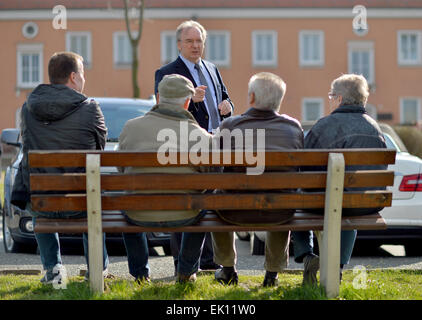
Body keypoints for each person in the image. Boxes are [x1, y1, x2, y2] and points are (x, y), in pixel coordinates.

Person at [177, 72, 304, 286]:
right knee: (283, 197)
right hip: (279, 211)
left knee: (217, 198)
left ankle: (227, 269)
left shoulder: (231, 126)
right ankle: (272, 274)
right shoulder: (293, 128)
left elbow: (212, 168)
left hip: (233, 211)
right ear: (279, 100)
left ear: (252, 97)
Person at [11, 52, 109, 284]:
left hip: (42, 202)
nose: (84, 80)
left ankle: (54, 269)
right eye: (82, 74)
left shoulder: (27, 108)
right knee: (93, 197)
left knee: (39, 195)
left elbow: (27, 145)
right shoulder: (91, 108)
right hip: (82, 201)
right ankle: (97, 268)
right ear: (73, 77)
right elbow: (100, 148)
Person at [292, 73, 387, 285]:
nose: (330, 100)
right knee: (349, 203)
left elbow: (304, 168)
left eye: (331, 96)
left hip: (322, 204)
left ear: (340, 99)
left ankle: (307, 255)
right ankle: (338, 267)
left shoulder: (323, 126)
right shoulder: (376, 129)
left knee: (294, 200)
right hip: (365, 205)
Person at [155, 20, 234, 273]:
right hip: (185, 145)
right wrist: (190, 99)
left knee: (213, 201)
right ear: (179, 44)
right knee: (186, 204)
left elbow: (224, 95)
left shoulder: (212, 68)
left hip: (216, 144)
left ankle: (210, 261)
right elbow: (163, 108)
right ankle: (183, 262)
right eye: (189, 41)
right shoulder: (167, 72)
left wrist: (228, 105)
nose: (195, 45)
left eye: (199, 41)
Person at [118, 74, 213, 283]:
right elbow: (210, 178)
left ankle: (140, 274)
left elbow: (121, 168)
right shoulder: (202, 137)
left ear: (159, 98)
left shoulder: (131, 128)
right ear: (188, 102)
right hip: (185, 212)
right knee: (204, 204)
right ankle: (187, 271)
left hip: (138, 212)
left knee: (125, 203)